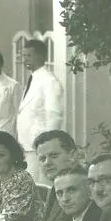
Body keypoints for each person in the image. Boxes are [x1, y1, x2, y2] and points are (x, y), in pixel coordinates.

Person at [16, 39, 65, 184]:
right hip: (27, 145)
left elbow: (54, 116)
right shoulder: (33, 79)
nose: (25, 60)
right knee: (30, 185)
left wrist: (45, 146)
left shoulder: (48, 81)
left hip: (39, 146)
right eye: (23, 56)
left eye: (29, 56)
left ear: (41, 56)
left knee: (40, 185)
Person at [31, 130, 82, 221]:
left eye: (54, 155)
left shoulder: (85, 187)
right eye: (42, 158)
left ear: (73, 156)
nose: (47, 163)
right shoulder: (56, 187)